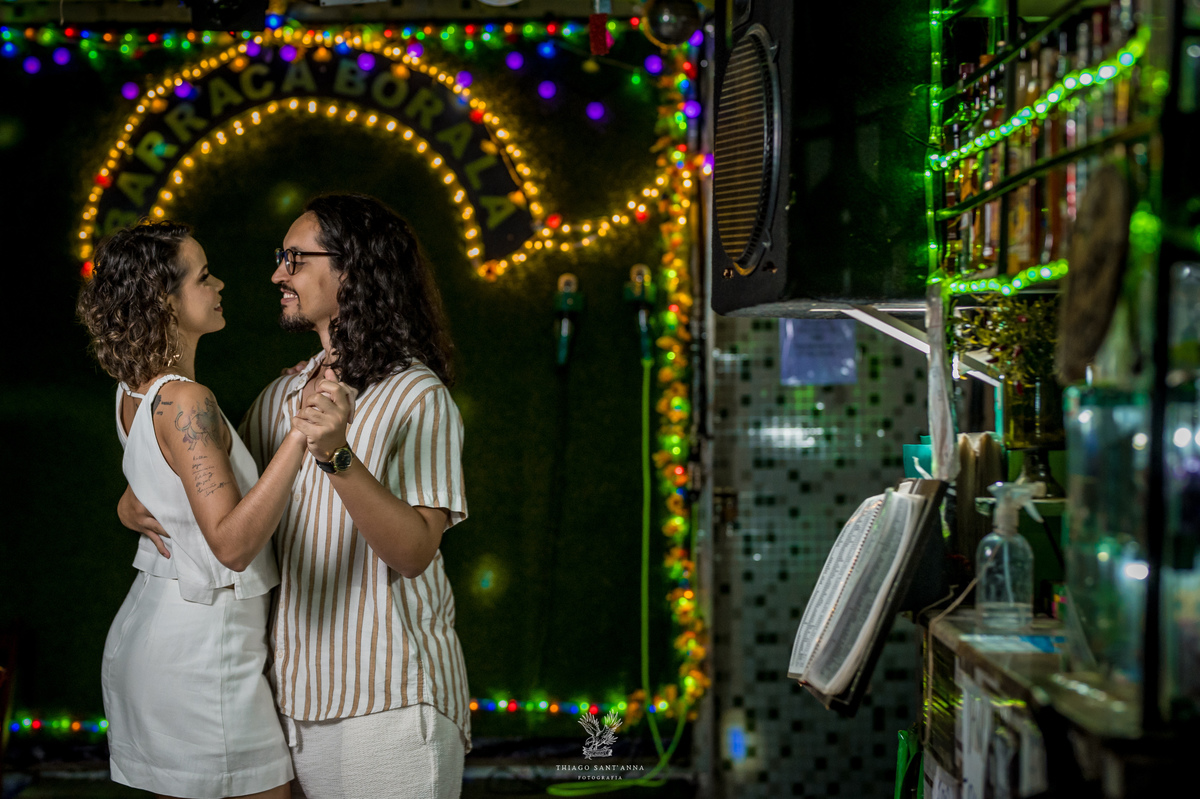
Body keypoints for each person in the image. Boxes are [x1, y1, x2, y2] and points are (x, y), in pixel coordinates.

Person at [120, 194, 471, 799]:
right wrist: (133, 500)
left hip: (389, 702)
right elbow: (211, 492)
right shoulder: (280, 396)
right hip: (289, 703)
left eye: (295, 259)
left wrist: (336, 456)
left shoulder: (417, 395)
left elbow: (414, 553)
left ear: (352, 270)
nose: (277, 275)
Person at [77, 220, 343, 798]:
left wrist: (130, 503)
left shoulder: (133, 389)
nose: (219, 284)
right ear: (164, 301)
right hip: (202, 654)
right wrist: (303, 431)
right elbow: (232, 545)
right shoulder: (185, 401)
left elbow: (161, 487)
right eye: (203, 276)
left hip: (159, 636)